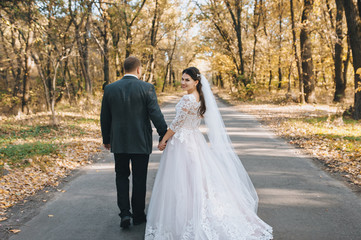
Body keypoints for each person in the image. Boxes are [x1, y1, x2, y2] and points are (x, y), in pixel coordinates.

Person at [145, 67, 273, 239]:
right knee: (195, 180)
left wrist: (163, 140)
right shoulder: (200, 98)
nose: (183, 82)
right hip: (195, 140)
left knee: (182, 181)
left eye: (187, 80)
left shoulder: (188, 98)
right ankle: (192, 214)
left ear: (196, 82)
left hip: (183, 144)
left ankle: (186, 219)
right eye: (182, 79)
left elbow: (176, 124)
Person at [100, 56, 167, 229]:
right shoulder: (147, 88)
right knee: (139, 178)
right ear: (138, 70)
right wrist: (163, 135)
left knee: (121, 177)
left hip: (119, 142)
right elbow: (156, 115)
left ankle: (124, 214)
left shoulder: (110, 89)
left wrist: (106, 139)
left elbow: (105, 117)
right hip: (140, 142)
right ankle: (138, 215)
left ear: (124, 69)